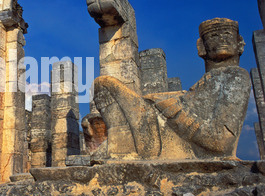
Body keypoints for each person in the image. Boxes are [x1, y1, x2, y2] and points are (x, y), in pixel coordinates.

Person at [93, 18, 251, 160]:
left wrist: (174, 111)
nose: (221, 39)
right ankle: (118, 147)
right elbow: (191, 100)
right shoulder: (210, 79)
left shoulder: (235, 76)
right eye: (213, 36)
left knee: (104, 85)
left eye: (227, 34)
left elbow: (219, 143)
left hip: (165, 138)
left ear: (239, 42)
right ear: (201, 46)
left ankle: (119, 149)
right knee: (103, 85)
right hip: (161, 132)